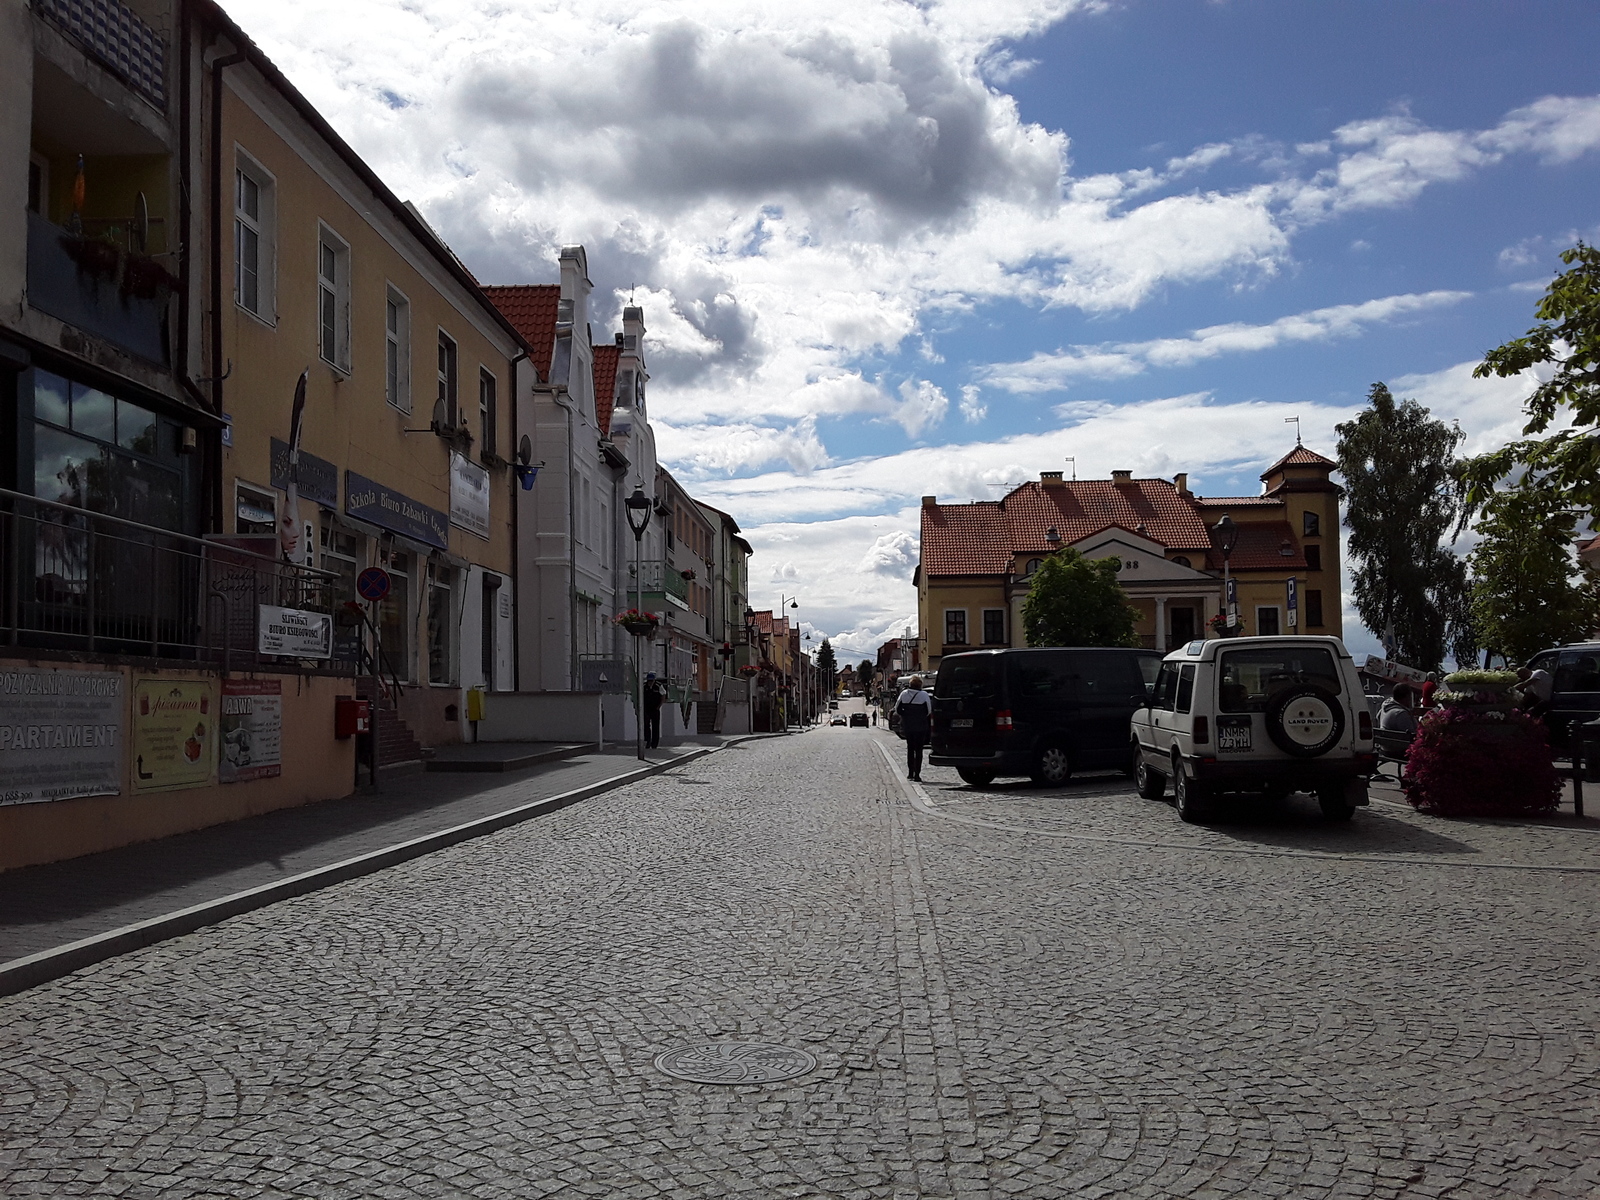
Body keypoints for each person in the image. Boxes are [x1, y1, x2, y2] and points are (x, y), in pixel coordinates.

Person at [896, 675, 933, 781]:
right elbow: (928, 710)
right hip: (921, 726)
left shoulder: (904, 694)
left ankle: (910, 773)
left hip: (908, 726)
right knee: (919, 750)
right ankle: (917, 774)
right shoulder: (924, 695)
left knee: (910, 749)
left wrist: (906, 715)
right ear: (920, 685)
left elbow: (897, 708)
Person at [643, 673, 665, 749]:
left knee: (655, 726)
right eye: (649, 681)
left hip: (655, 709)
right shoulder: (644, 686)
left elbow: (663, 696)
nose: (650, 682)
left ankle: (654, 744)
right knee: (646, 725)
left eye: (651, 681)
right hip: (646, 709)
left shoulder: (658, 686)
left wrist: (659, 706)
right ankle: (647, 741)